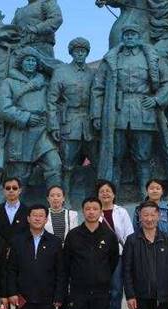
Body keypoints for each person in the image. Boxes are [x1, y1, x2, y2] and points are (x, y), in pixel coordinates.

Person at [91, 23, 168, 198]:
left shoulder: (152, 57)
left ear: (139, 37)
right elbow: (97, 88)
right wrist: (97, 115)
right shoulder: (112, 59)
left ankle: (145, 194)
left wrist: (157, 99)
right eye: (127, 34)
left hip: (143, 112)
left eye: (133, 34)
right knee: (115, 155)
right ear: (123, 37)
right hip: (117, 112)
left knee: (143, 156)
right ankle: (112, 194)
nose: (129, 37)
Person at [0, 47, 63, 189]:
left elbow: (52, 104)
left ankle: (55, 201)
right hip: (20, 134)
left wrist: (53, 124)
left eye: (33, 61)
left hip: (42, 132)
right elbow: (3, 108)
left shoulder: (44, 83)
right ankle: (16, 203)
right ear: (21, 63)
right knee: (20, 176)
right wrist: (25, 117)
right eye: (27, 60)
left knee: (54, 165)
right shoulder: (8, 83)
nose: (31, 63)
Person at [47, 37, 96, 199]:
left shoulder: (93, 73)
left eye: (83, 51)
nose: (80, 54)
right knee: (67, 164)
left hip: (90, 125)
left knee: (97, 162)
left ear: (87, 53)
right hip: (69, 123)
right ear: (71, 53)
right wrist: (54, 125)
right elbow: (51, 101)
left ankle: (97, 196)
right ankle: (65, 197)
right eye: (77, 51)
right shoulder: (61, 72)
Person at [0, 177, 30, 309]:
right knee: (3, 294)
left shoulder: (27, 211)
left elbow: (28, 234)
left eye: (14, 188)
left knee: (20, 293)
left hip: (21, 258)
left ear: (20, 190)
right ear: (4, 191)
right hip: (2, 258)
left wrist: (15, 250)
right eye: (8, 188)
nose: (11, 191)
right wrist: (4, 250)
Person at [97, 180, 135, 309]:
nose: (105, 193)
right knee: (99, 293)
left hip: (117, 257)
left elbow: (129, 235)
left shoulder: (121, 212)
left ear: (114, 194)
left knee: (115, 293)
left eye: (108, 191)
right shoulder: (93, 210)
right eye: (102, 191)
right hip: (98, 259)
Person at [44, 185, 79, 309]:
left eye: (58, 195)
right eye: (52, 195)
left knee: (65, 294)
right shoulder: (43, 215)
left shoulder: (72, 214)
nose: (55, 198)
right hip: (48, 258)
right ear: (48, 198)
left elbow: (74, 235)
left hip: (67, 258)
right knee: (50, 293)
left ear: (63, 198)